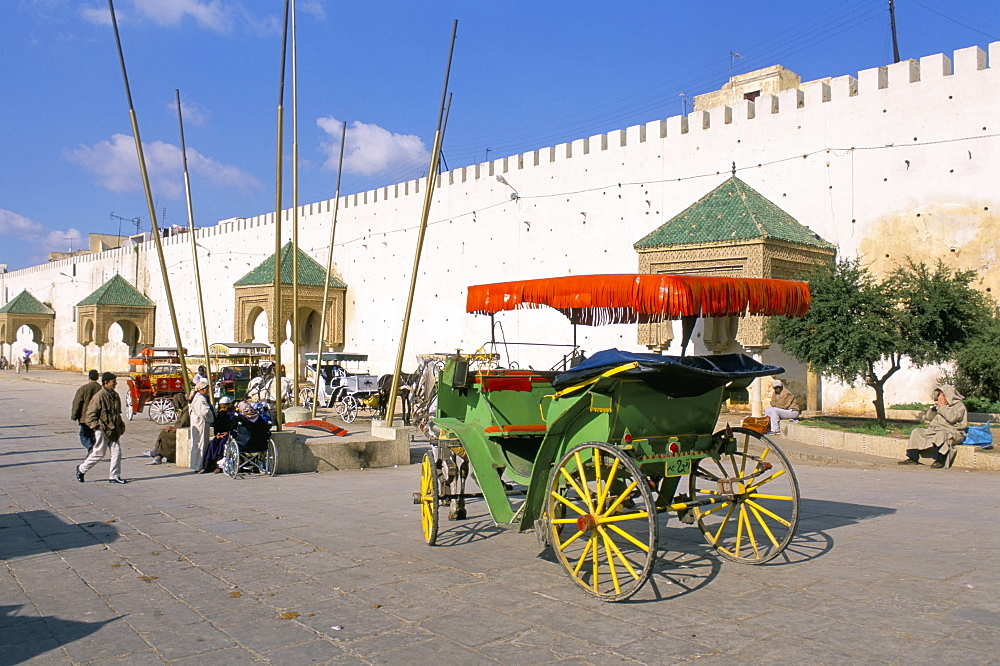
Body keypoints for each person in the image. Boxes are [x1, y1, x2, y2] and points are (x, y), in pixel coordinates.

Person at [76, 372, 128, 484]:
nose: (115, 384)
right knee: (99, 453)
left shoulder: (115, 395)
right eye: (113, 382)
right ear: (106, 383)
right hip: (102, 429)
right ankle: (81, 469)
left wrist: (120, 425)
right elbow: (90, 415)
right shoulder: (99, 396)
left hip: (113, 429)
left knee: (117, 452)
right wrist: (97, 427)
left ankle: (114, 476)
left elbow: (117, 412)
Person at [899, 385, 968, 469]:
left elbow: (952, 418)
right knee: (917, 432)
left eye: (942, 395)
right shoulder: (939, 406)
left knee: (942, 435)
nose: (939, 397)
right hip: (935, 430)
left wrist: (942, 407)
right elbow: (928, 418)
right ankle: (912, 458)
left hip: (952, 432)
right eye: (939, 395)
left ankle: (939, 460)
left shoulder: (959, 406)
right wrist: (934, 410)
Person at [143, 399, 191, 465]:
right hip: (179, 429)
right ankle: (157, 456)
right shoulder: (184, 409)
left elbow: (183, 423)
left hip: (181, 430)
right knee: (164, 434)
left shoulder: (186, 409)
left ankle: (156, 454)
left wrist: (173, 428)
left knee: (165, 434)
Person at [198, 397, 235, 473]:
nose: (223, 409)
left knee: (222, 444)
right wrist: (218, 434)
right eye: (221, 407)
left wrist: (226, 433)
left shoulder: (233, 414)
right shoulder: (221, 415)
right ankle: (207, 466)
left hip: (229, 435)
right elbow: (217, 426)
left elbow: (234, 427)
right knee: (213, 444)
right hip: (220, 435)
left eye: (225, 407)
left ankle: (218, 466)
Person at [70, 369, 102, 454]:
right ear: (98, 377)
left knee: (83, 435)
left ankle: (90, 447)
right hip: (98, 417)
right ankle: (92, 449)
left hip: (85, 417)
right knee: (94, 435)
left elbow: (77, 402)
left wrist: (74, 415)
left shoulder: (83, 389)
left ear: (88, 377)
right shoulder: (101, 389)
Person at [188, 380, 214, 470]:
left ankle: (195, 464)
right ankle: (199, 465)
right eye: (206, 388)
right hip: (201, 423)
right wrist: (212, 416)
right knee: (200, 444)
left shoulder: (196, 397)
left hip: (196, 422)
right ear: (202, 389)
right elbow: (205, 412)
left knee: (196, 444)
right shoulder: (201, 399)